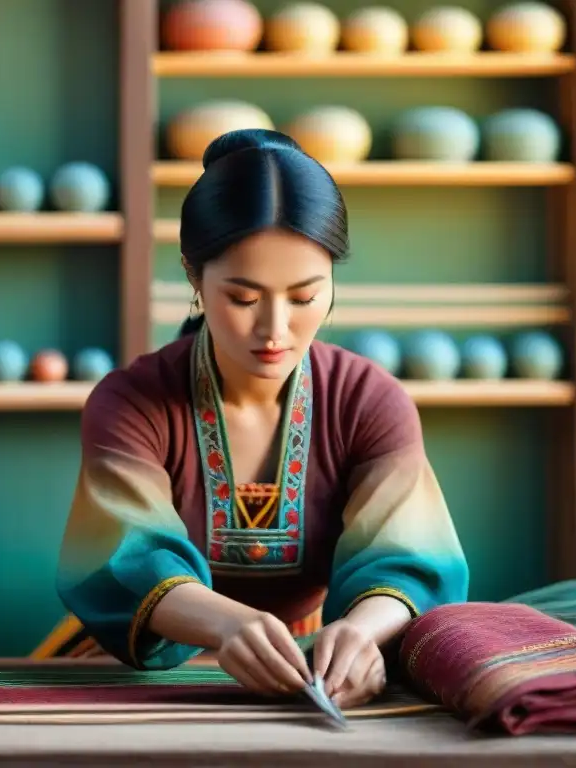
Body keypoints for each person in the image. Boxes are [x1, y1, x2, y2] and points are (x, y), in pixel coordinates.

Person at [54, 128, 469, 709]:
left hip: (315, 664)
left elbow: (409, 559)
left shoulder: (370, 400)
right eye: (244, 299)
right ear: (194, 277)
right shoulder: (131, 402)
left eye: (303, 298)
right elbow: (122, 561)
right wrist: (226, 625)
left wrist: (361, 633)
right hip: (137, 661)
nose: (274, 330)